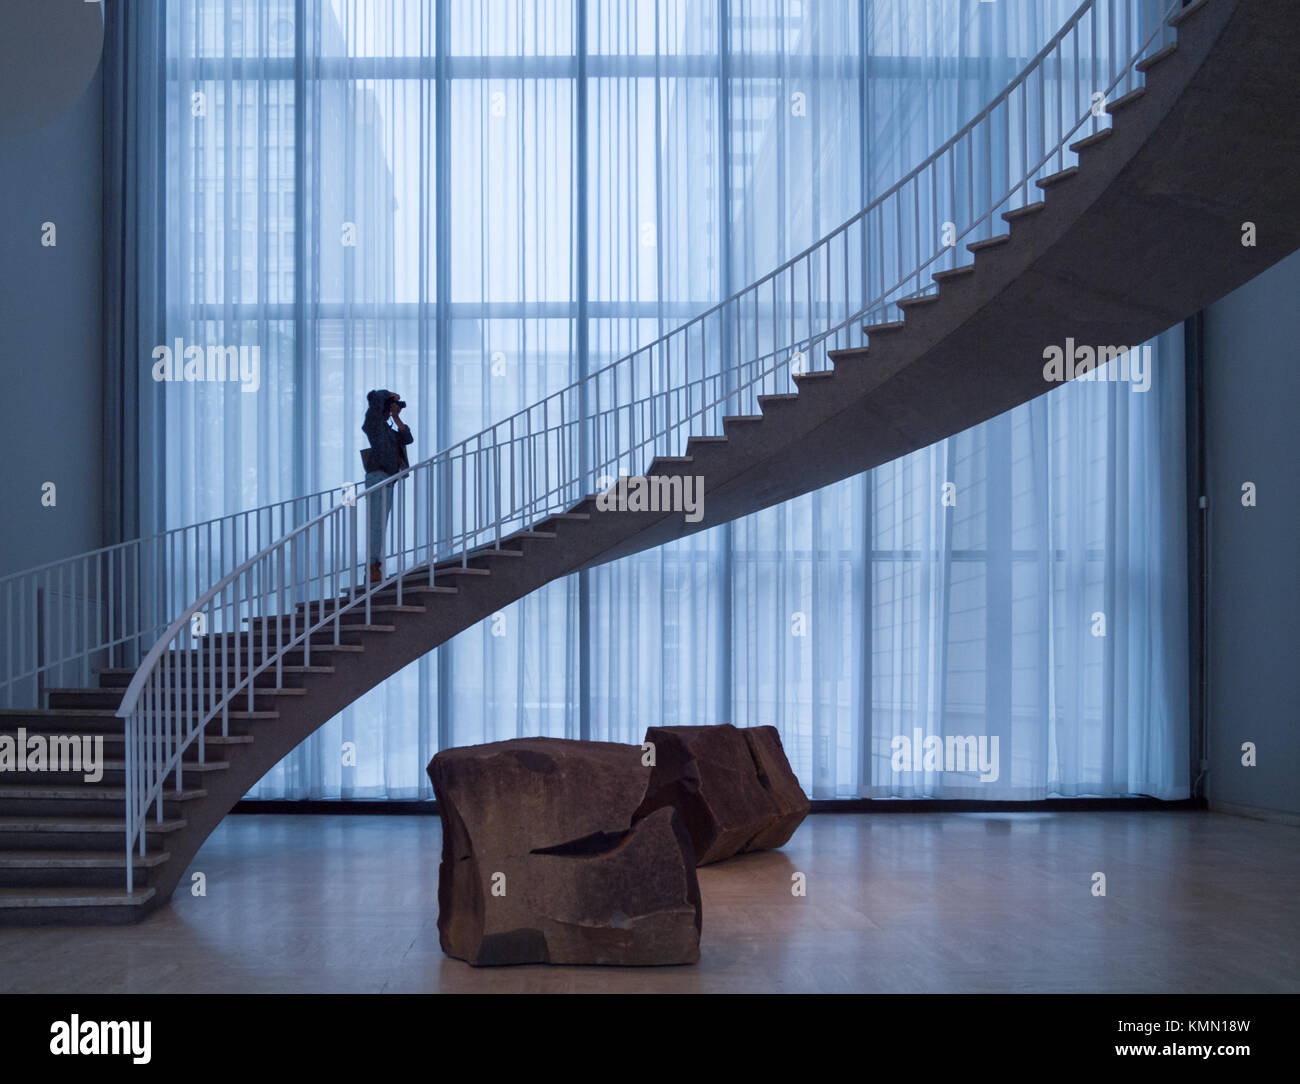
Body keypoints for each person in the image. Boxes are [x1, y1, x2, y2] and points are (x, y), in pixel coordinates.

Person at [362, 389, 413, 583]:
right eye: (390, 405)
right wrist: (389, 395)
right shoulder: (374, 425)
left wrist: (396, 416)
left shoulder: (390, 431)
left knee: (381, 524)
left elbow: (407, 438)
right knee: (376, 524)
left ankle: (376, 567)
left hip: (388, 478)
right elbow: (374, 399)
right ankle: (373, 567)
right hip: (377, 476)